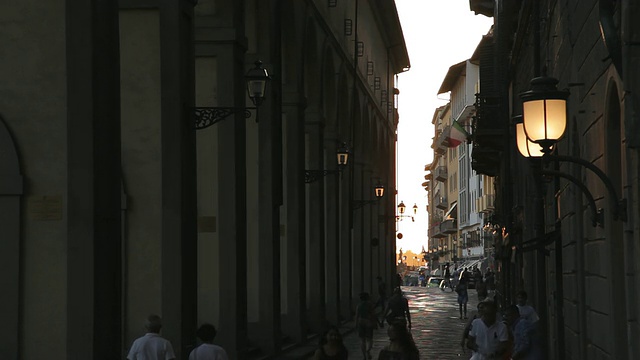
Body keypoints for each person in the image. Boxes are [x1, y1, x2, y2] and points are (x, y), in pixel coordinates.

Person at [355, 292, 376, 359]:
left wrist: (356, 324)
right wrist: (375, 323)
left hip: (361, 322)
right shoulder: (370, 305)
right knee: (369, 339)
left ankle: (364, 356)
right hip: (368, 322)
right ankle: (368, 350)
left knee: (362, 340)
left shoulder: (359, 305)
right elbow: (373, 314)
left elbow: (357, 316)